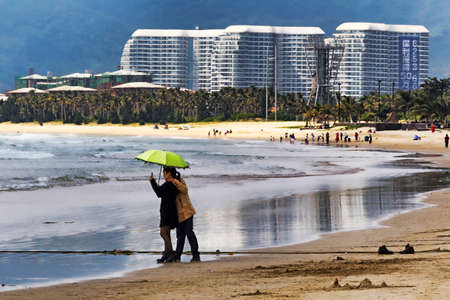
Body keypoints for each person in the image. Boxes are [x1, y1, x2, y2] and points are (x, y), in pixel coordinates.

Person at [150, 167, 179, 263]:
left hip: (167, 211)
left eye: (164, 173)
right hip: (171, 211)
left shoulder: (169, 184)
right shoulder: (173, 183)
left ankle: (170, 253)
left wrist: (152, 181)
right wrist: (158, 186)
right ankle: (167, 253)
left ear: (169, 174)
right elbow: (162, 192)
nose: (163, 175)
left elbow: (159, 193)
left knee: (163, 233)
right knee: (167, 233)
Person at [170, 171, 201, 262]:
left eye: (165, 173)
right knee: (180, 236)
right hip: (178, 215)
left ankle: (196, 255)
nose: (165, 175)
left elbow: (184, 190)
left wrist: (174, 181)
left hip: (187, 212)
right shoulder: (169, 184)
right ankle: (177, 256)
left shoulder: (180, 181)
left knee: (189, 233)